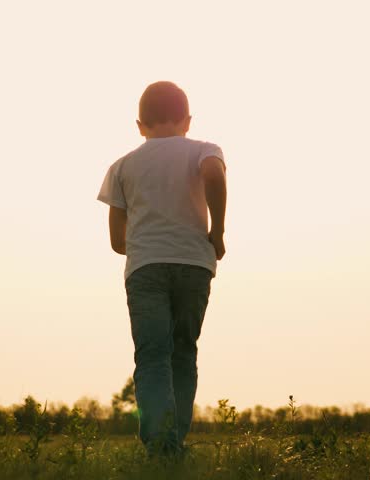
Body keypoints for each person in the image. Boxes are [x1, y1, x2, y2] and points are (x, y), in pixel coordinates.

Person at [97, 81, 227, 455]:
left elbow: (116, 242)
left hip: (146, 269)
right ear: (187, 121)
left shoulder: (121, 166)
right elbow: (215, 176)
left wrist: (144, 245)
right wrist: (215, 232)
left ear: (140, 125)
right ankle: (176, 441)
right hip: (193, 264)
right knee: (183, 352)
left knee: (152, 355)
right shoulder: (205, 150)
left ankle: (160, 444)